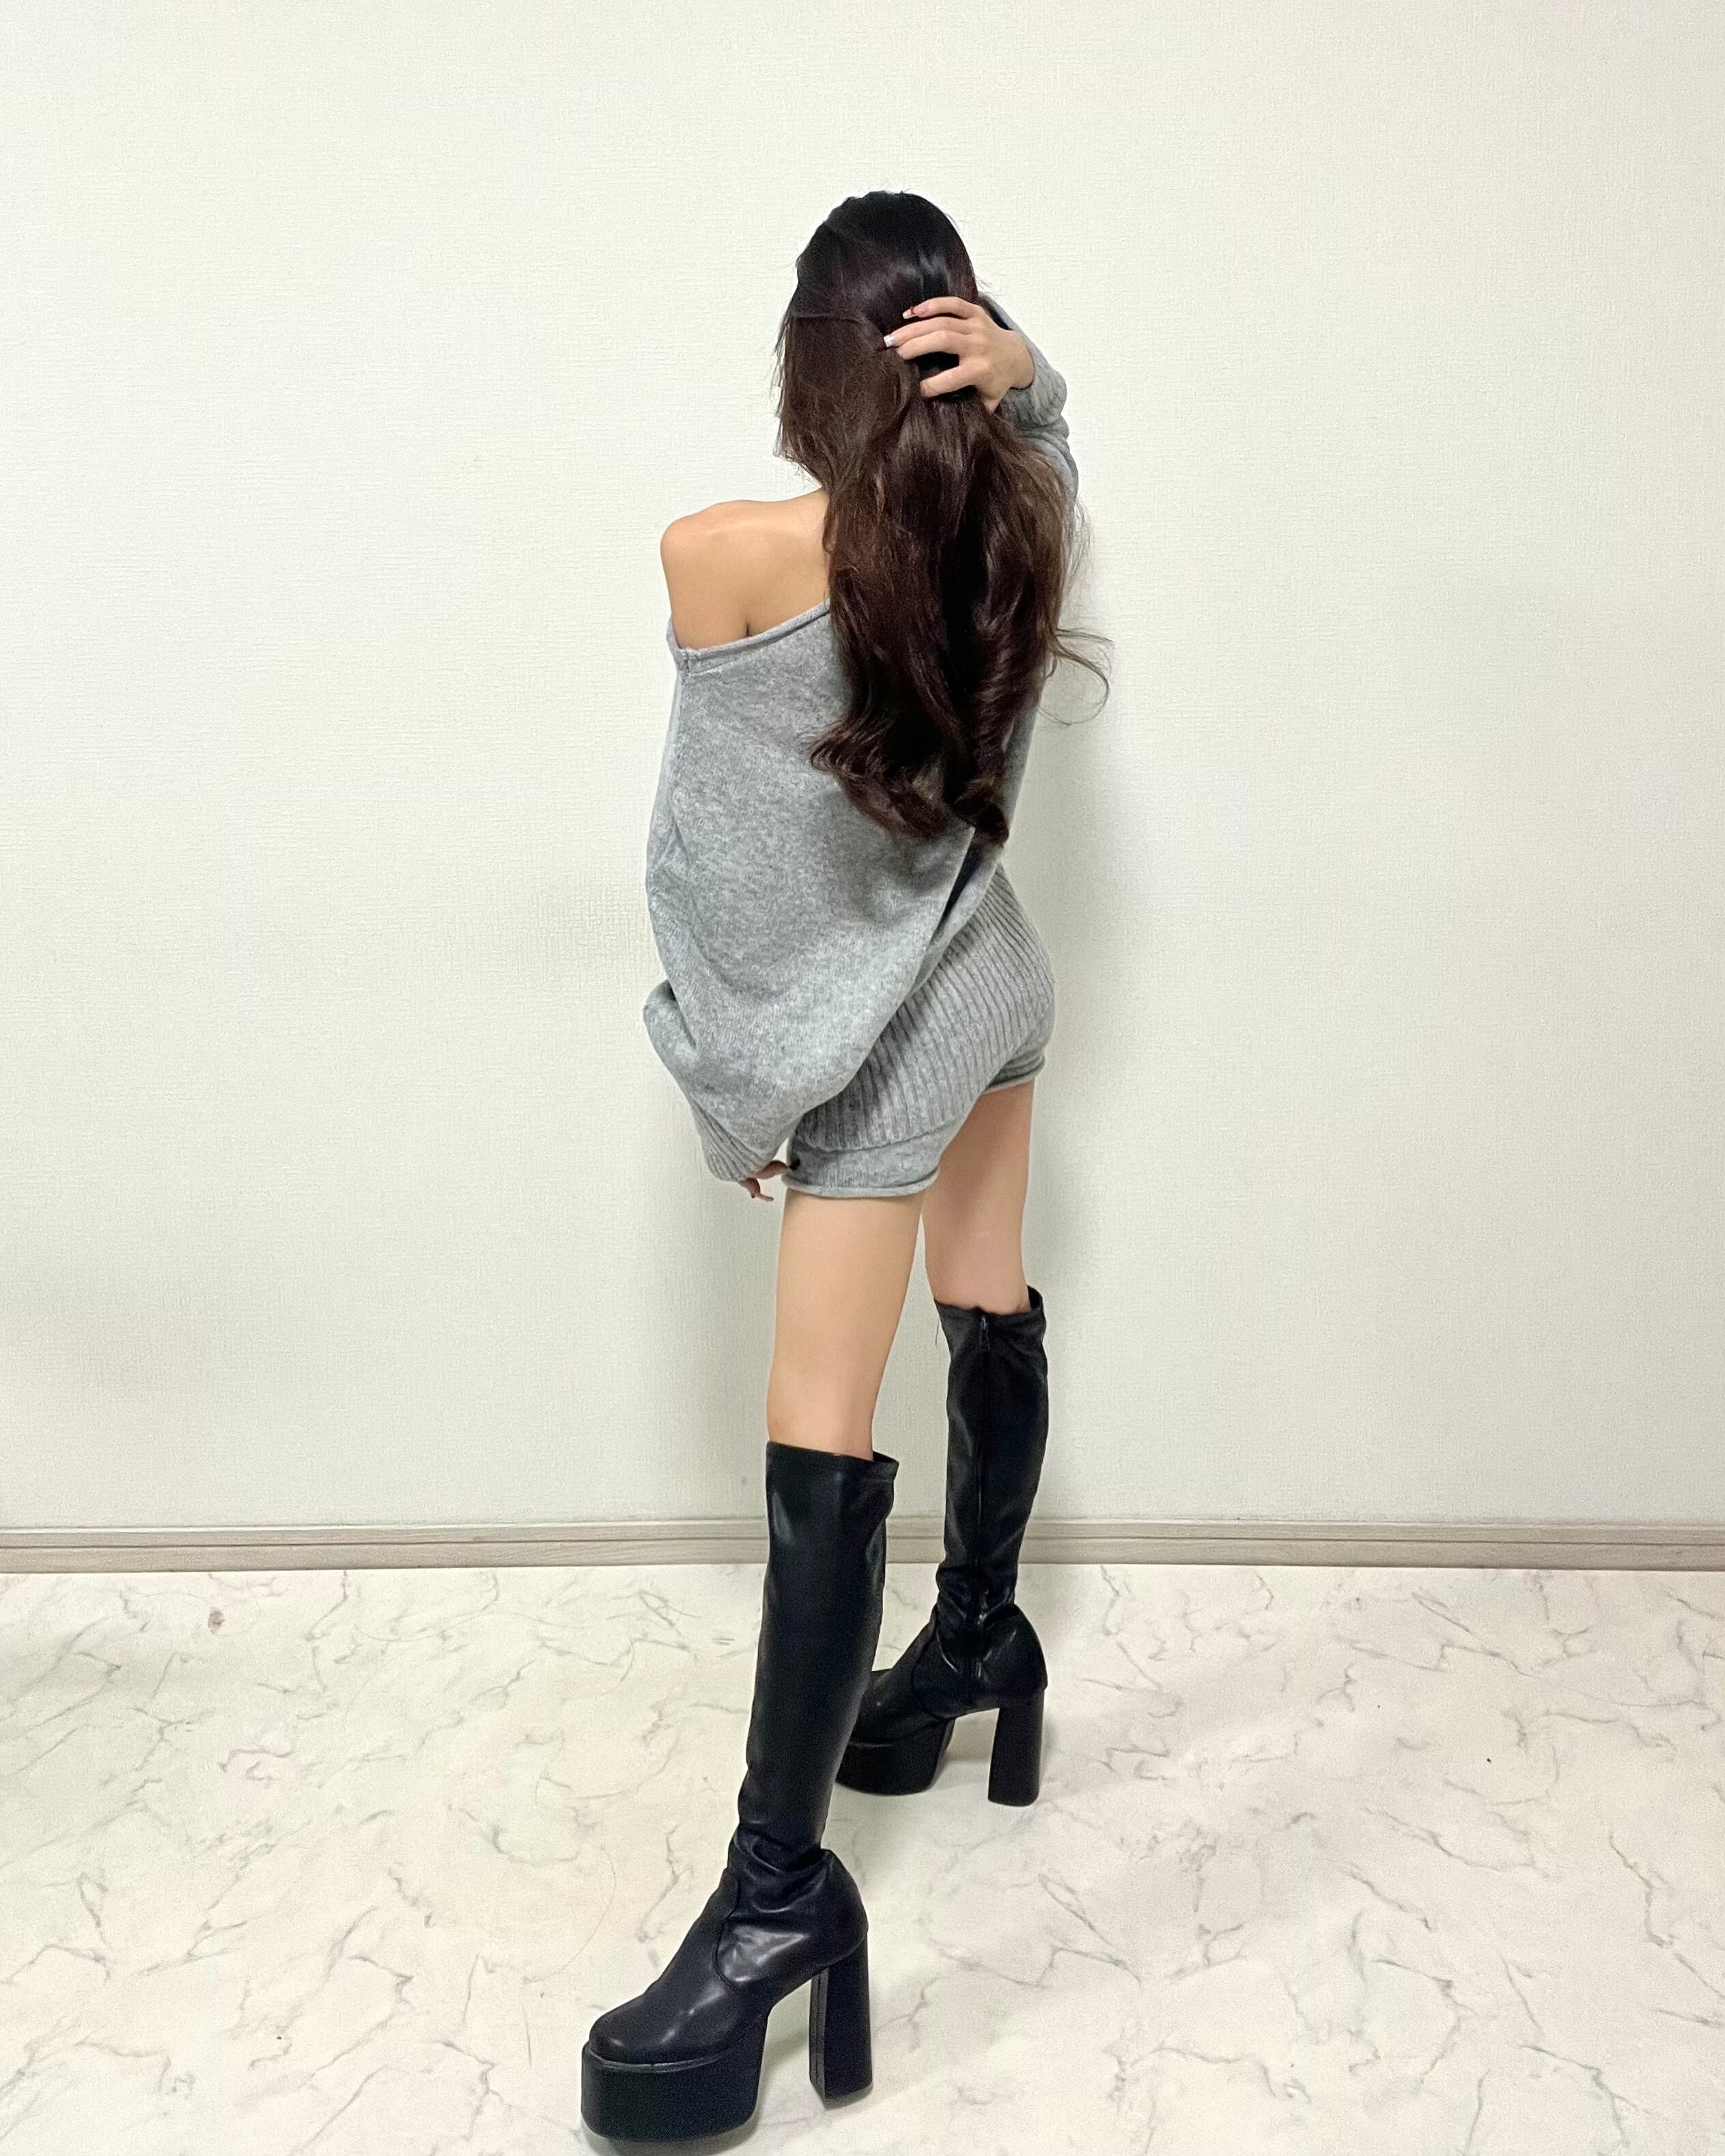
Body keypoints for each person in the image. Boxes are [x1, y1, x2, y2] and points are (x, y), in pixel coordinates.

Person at [581, 189, 1108, 2144]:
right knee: (988, 1296)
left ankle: (774, 1900)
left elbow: (727, 889)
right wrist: (1037, 386)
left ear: (809, 362)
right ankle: (979, 1638)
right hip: (996, 982)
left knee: (819, 1435)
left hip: (888, 1045)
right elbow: (1041, 447)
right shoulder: (1014, 519)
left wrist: (737, 1090)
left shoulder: (722, 555)